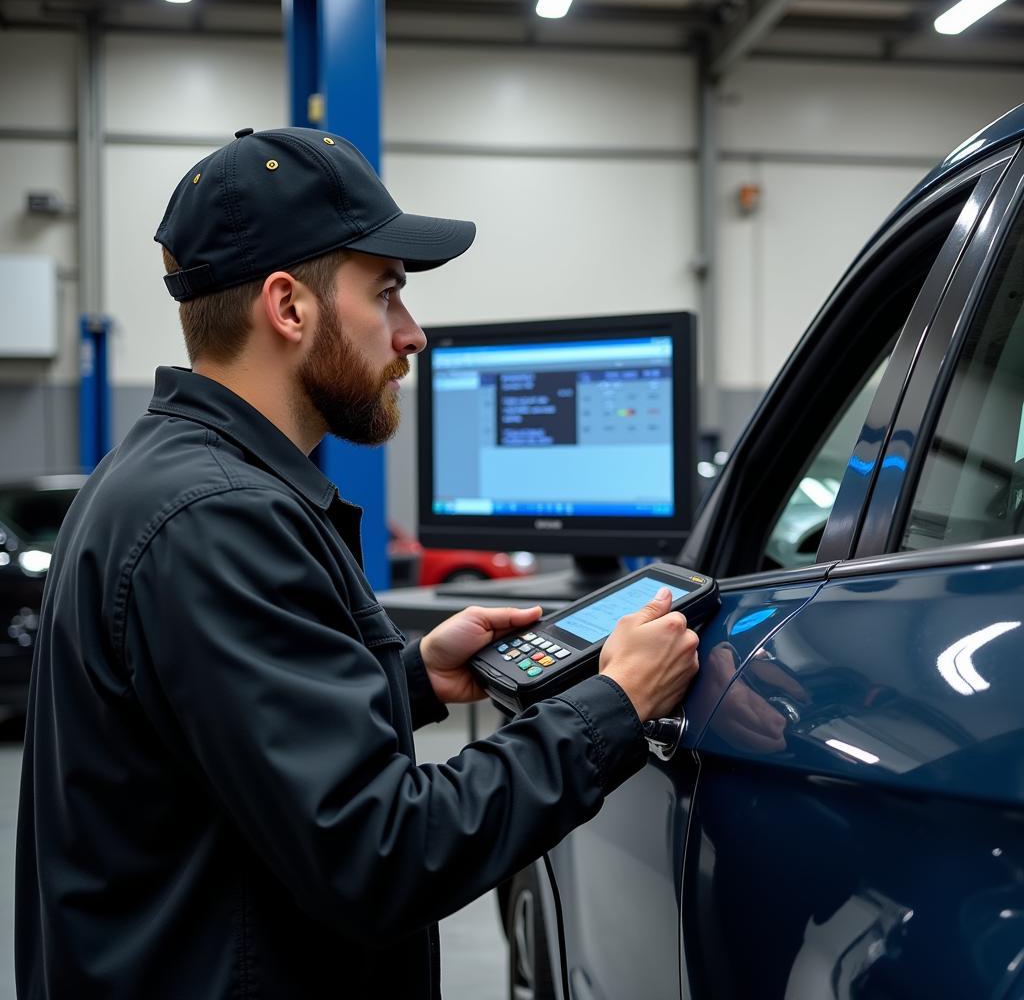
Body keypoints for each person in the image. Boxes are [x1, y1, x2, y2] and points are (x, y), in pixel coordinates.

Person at [16, 126, 701, 999]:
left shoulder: (169, 477)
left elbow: (228, 738)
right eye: (387, 295)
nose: (412, 336)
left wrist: (407, 678)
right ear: (288, 307)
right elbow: (380, 857)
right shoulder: (221, 518)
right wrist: (613, 708)